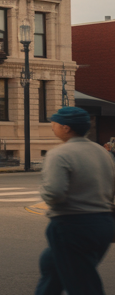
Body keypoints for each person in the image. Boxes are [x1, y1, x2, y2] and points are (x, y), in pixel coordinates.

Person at [36, 106, 115, 295]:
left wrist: (43, 190)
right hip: (103, 223)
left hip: (71, 225)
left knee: (83, 284)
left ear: (66, 128)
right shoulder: (102, 152)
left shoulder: (59, 154)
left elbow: (54, 193)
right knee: (51, 267)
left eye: (54, 123)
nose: (51, 126)